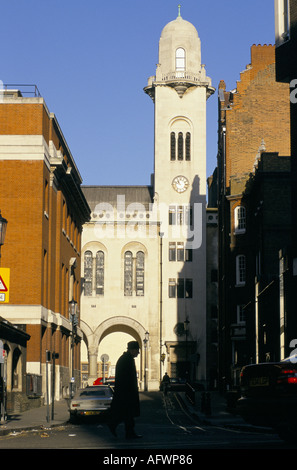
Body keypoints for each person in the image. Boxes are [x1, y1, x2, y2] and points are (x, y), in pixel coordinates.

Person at [107, 341, 142, 439]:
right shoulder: (127, 360)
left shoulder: (126, 359)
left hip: (125, 392)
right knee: (125, 413)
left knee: (127, 415)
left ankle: (129, 432)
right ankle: (113, 424)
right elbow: (126, 379)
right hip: (126, 393)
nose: (138, 353)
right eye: (137, 350)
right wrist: (130, 393)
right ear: (132, 350)